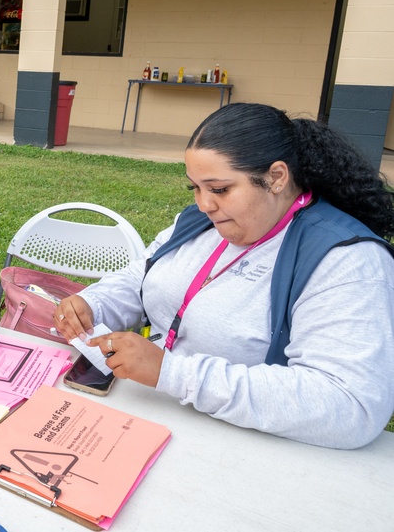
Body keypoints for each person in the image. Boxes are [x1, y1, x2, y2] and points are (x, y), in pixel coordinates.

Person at [53, 102, 394, 450]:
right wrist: (94, 303)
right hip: (152, 414)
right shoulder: (199, 223)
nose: (204, 204)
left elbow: (351, 405)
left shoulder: (348, 261)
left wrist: (173, 374)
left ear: (276, 177)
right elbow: (140, 279)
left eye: (219, 189)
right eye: (195, 188)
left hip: (247, 448)